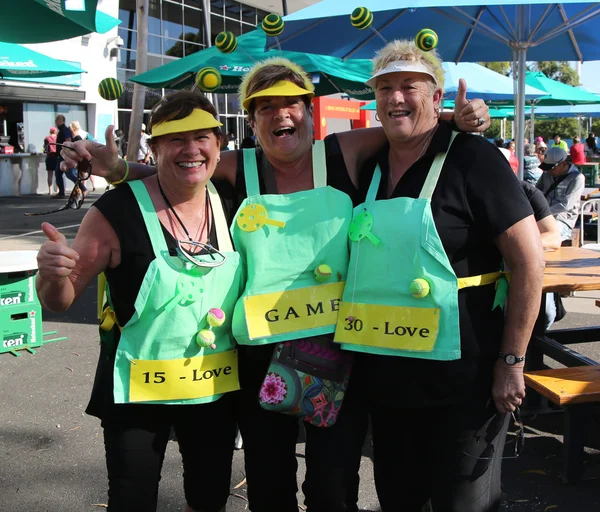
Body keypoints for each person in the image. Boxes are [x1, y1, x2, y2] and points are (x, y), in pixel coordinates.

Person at [60, 58, 491, 512]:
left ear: (309, 110)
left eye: (291, 104)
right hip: (258, 358)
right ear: (251, 120)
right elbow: (183, 166)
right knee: (268, 486)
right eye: (265, 107)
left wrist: (460, 119)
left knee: (332, 486)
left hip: (337, 352)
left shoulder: (342, 152)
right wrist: (120, 169)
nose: (280, 114)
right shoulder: (237, 167)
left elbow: (406, 125)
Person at [333, 40, 544, 512]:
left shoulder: (473, 159)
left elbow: (529, 261)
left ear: (436, 96)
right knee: (398, 497)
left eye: (410, 85)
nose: (396, 97)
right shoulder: (367, 165)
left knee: (462, 502)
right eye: (385, 87)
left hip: (465, 381)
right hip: (387, 381)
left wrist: (512, 361)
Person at [36, 91, 243, 512]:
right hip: (137, 389)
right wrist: (52, 275)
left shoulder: (233, 202)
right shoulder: (116, 210)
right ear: (154, 147)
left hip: (214, 386)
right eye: (174, 139)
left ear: (219, 145)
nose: (190, 150)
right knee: (132, 498)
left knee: (209, 497)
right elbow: (59, 300)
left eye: (201, 136)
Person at [536, 146, 586, 242]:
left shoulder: (577, 178)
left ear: (563, 164)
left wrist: (542, 214)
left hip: (563, 220)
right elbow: (536, 192)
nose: (549, 171)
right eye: (547, 168)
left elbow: (565, 205)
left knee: (542, 238)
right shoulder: (546, 174)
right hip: (543, 216)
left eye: (552, 168)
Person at [69, 120, 92, 194]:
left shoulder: (77, 137)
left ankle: (82, 190)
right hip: (79, 158)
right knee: (78, 175)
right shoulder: (81, 135)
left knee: (76, 175)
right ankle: (81, 189)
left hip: (79, 158)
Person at [53, 114, 72, 198]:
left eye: (56, 121)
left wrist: (66, 152)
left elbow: (68, 141)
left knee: (69, 174)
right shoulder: (62, 130)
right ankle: (61, 192)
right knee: (59, 174)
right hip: (62, 155)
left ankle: (82, 188)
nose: (55, 123)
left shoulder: (64, 130)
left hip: (64, 155)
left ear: (59, 121)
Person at [43, 127, 58, 195]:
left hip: (49, 157)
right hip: (56, 157)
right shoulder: (58, 138)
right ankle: (58, 189)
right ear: (55, 131)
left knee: (50, 175)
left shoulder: (47, 138)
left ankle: (50, 190)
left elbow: (45, 148)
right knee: (58, 174)